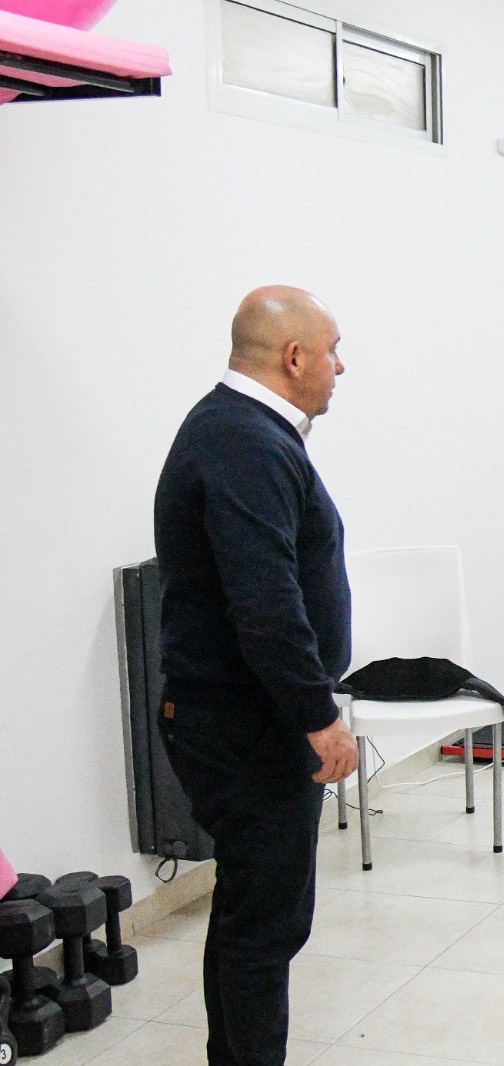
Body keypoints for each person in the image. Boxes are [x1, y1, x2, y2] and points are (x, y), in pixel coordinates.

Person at [154, 285, 359, 1065]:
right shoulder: (243, 441)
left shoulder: (244, 432)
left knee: (255, 916)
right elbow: (265, 605)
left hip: (245, 717)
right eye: (333, 350)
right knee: (263, 926)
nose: (342, 366)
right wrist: (318, 716)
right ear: (294, 357)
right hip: (247, 726)